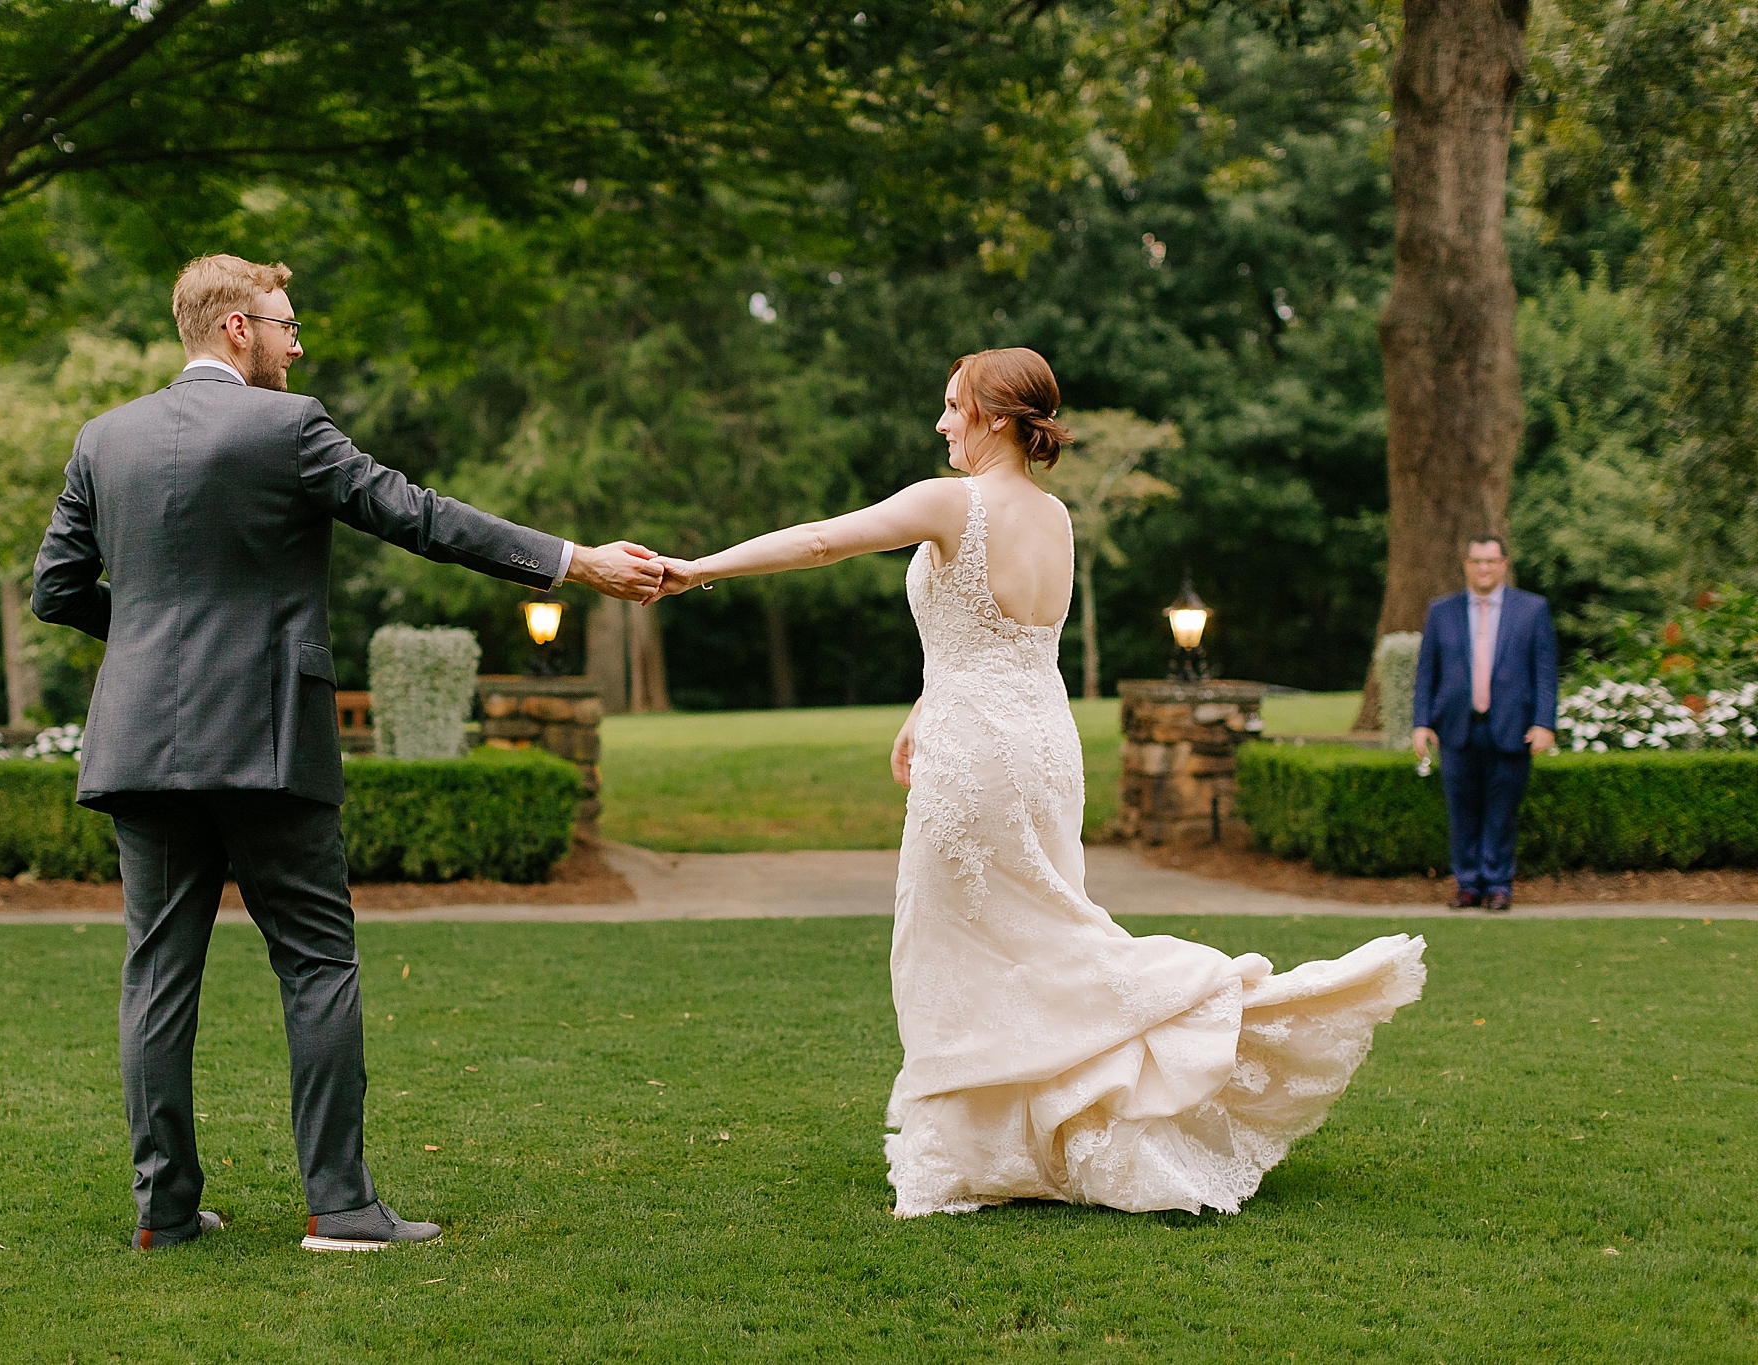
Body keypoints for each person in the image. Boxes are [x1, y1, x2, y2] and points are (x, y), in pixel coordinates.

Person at [653, 347, 1426, 1217]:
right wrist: (920, 706)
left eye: (952, 407)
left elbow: (827, 539)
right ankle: (1040, 1127)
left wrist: (698, 568)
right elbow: (1002, 641)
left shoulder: (953, 500)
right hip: (1042, 748)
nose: (942, 423)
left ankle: (1150, 1041)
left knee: (956, 940)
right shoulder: (1055, 517)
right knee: (1045, 929)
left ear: (992, 416)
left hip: (977, 753)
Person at [32, 254, 665, 1252]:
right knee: (318, 965)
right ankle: (340, 1206)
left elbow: (56, 591)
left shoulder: (101, 440)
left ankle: (162, 1212)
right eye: (284, 323)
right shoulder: (287, 429)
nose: (297, 341)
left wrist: (155, 638)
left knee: (155, 977)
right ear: (236, 329)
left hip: (140, 741)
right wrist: (571, 561)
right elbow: (416, 516)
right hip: (269, 738)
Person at [1410, 537, 1559, 912]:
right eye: (1477, 561)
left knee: (1502, 809)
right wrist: (1421, 723)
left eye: (1491, 561)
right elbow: (1427, 672)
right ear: (1466, 564)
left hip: (1512, 726)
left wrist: (1544, 722)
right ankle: (1467, 885)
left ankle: (1497, 885)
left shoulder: (1532, 609)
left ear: (1504, 564)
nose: (1484, 569)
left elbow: (1545, 672)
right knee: (1461, 809)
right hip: (1457, 726)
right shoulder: (1441, 611)